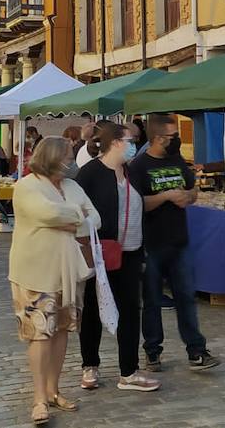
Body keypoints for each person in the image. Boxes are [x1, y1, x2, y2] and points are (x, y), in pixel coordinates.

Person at [9, 136, 99, 424]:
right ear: (52, 157)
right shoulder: (27, 186)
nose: (72, 160)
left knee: (62, 331)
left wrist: (72, 219)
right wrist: (76, 217)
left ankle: (53, 390)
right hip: (36, 273)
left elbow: (95, 219)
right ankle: (38, 399)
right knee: (40, 333)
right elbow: (45, 213)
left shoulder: (72, 186)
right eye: (68, 155)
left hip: (69, 273)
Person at [129, 114, 221, 372]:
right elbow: (137, 204)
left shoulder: (177, 161)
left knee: (186, 297)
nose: (175, 141)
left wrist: (188, 197)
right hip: (151, 242)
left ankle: (196, 350)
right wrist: (166, 196)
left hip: (179, 240)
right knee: (152, 300)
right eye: (171, 137)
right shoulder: (138, 166)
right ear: (158, 139)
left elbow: (193, 189)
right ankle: (152, 350)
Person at [75, 121, 161, 393]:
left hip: (131, 251)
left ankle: (129, 370)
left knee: (129, 309)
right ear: (115, 143)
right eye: (130, 140)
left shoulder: (133, 173)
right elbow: (78, 210)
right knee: (92, 307)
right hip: (101, 252)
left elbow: (142, 206)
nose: (134, 145)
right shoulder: (91, 173)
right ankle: (90, 364)